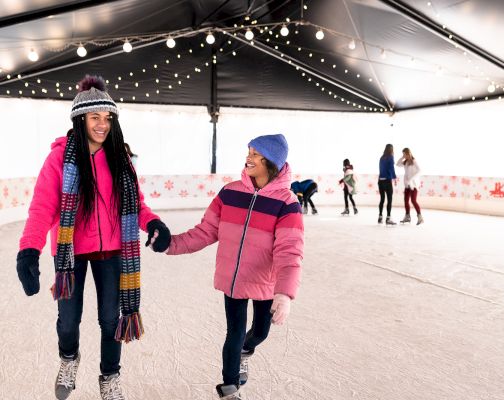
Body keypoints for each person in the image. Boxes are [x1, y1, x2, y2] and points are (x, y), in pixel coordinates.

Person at [15, 75, 171, 400]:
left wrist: (153, 222)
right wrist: (28, 249)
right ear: (80, 117)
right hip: (70, 252)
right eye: (95, 117)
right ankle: (69, 358)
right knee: (69, 321)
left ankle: (110, 376)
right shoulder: (59, 158)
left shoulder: (120, 158)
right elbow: (42, 207)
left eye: (108, 118)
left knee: (111, 319)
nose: (102, 125)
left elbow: (137, 205)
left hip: (113, 252)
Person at [150, 134, 304, 400]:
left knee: (260, 331)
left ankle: (247, 350)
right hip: (233, 279)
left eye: (256, 154)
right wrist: (169, 244)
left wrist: (284, 293)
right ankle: (229, 388)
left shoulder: (287, 203)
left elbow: (289, 251)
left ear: (271, 162)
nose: (249, 158)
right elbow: (205, 231)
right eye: (249, 152)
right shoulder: (230, 192)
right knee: (234, 331)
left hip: (265, 281)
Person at [396, 147, 424, 225]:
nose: (404, 155)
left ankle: (420, 217)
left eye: (404, 154)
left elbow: (420, 171)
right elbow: (397, 164)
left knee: (413, 200)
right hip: (407, 184)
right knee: (406, 201)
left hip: (414, 185)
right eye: (403, 154)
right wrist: (402, 157)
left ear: (408, 153)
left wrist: (411, 179)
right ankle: (407, 217)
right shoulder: (405, 162)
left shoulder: (414, 161)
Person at [378, 144, 397, 225]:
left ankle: (380, 217)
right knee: (389, 200)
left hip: (380, 181)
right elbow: (391, 168)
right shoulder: (390, 157)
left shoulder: (381, 158)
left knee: (382, 199)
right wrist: (394, 178)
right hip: (387, 181)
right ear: (391, 149)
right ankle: (388, 218)